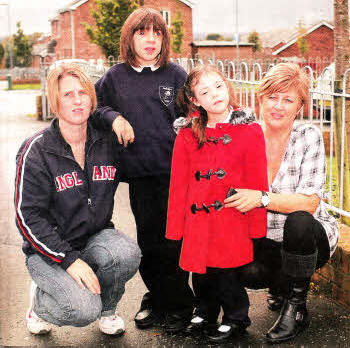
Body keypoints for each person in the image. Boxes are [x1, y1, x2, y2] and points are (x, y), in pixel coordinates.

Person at [14, 63, 141, 336]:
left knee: (126, 253)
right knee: (82, 309)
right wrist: (69, 259)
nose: (77, 100)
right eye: (68, 94)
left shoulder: (107, 143)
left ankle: (108, 310)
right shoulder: (36, 151)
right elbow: (27, 217)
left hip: (94, 237)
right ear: (55, 101)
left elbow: (147, 165)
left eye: (83, 93)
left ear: (92, 99)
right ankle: (39, 303)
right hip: (47, 252)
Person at [93, 7, 194, 333]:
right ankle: (156, 297)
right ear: (130, 37)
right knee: (148, 243)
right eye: (142, 32)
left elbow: (194, 116)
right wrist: (114, 118)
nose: (150, 39)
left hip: (174, 174)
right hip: (139, 174)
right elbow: (95, 107)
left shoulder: (176, 75)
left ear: (164, 38)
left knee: (173, 242)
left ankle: (180, 304)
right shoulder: (115, 77)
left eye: (157, 33)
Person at [225, 63, 339, 344]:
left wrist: (261, 198)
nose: (278, 106)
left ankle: (296, 308)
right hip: (264, 239)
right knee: (247, 271)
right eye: (272, 97)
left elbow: (310, 203)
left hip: (307, 238)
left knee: (299, 219)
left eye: (288, 100)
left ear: (300, 106)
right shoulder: (245, 135)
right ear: (260, 98)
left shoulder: (308, 136)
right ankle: (279, 287)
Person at [166, 64, 269, 342]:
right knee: (200, 271)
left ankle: (236, 317)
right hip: (197, 218)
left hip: (232, 217)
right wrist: (176, 228)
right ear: (195, 101)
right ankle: (205, 311)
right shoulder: (187, 134)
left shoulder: (250, 131)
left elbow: (258, 181)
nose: (215, 94)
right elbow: (178, 184)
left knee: (227, 273)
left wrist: (256, 228)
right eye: (205, 91)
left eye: (219, 86)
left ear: (228, 87)